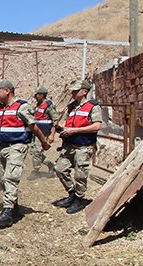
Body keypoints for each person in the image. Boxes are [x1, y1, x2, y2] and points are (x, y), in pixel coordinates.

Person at [0, 79, 50, 228]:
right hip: (1, 147)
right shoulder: (1, 109)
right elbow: (0, 129)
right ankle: (14, 208)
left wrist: (44, 142)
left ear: (7, 91)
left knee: (11, 177)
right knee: (3, 179)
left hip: (17, 146)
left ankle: (7, 213)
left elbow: (34, 127)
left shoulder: (22, 107)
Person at [53, 80, 102, 214]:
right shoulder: (71, 107)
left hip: (84, 146)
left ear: (84, 91)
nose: (72, 93)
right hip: (69, 145)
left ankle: (79, 199)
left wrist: (75, 130)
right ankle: (72, 194)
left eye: (76, 90)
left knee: (80, 174)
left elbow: (97, 126)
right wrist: (62, 128)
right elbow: (67, 121)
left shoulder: (93, 107)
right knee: (60, 168)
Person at [27, 86, 58, 180]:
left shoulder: (49, 106)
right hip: (35, 132)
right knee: (34, 151)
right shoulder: (37, 106)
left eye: (37, 95)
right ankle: (50, 165)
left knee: (37, 151)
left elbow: (55, 120)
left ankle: (36, 171)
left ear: (42, 95)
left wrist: (52, 135)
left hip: (44, 133)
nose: (35, 97)